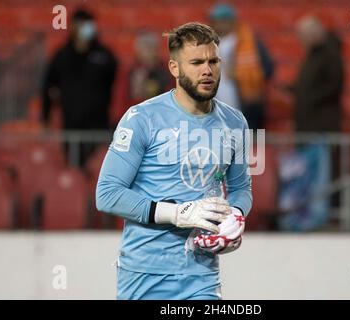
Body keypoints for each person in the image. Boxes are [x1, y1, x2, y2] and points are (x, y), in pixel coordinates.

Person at [96, 22, 252, 300]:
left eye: (213, 61)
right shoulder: (141, 119)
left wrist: (236, 216)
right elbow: (107, 194)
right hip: (144, 274)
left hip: (201, 275)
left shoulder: (235, 122)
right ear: (174, 69)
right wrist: (178, 214)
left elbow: (241, 188)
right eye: (196, 62)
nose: (208, 70)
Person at [41, 9, 117, 166]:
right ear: (73, 26)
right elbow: (48, 86)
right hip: (71, 125)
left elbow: (116, 86)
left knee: (99, 166)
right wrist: (45, 116)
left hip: (99, 125)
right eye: (81, 25)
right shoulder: (62, 55)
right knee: (74, 167)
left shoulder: (105, 55)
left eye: (88, 25)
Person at [209, 3, 274, 130]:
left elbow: (267, 70)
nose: (220, 24)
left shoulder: (251, 42)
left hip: (246, 106)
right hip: (214, 109)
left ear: (232, 21)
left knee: (248, 145)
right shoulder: (207, 43)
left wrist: (238, 74)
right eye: (217, 20)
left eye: (224, 20)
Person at [287, 15, 344, 133]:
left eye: (304, 36)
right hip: (307, 124)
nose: (301, 40)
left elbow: (333, 86)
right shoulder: (313, 55)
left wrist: (308, 97)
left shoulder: (330, 55)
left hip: (321, 125)